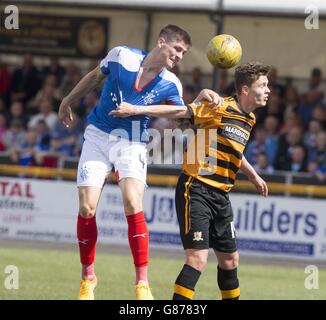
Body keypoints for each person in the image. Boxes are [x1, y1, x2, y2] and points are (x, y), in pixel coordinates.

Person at [58, 24, 221, 300]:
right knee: (87, 208)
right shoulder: (121, 55)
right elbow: (95, 76)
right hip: (97, 135)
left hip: (132, 141)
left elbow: (181, 113)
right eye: (177, 49)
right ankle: (88, 277)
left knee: (133, 202)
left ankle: (142, 283)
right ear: (161, 42)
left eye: (184, 52)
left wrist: (199, 99)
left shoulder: (171, 83)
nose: (180, 56)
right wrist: (67, 100)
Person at [110, 61, 271, 300]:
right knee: (197, 259)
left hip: (221, 196)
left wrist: (253, 175)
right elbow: (180, 112)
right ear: (246, 89)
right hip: (196, 189)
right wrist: (136, 110)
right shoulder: (219, 107)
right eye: (263, 85)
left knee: (230, 260)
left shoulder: (249, 119)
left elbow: (234, 149)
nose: (268, 90)